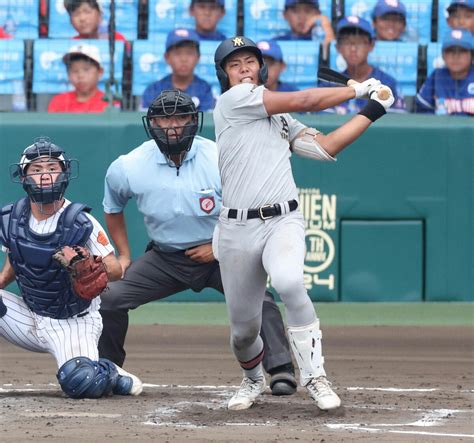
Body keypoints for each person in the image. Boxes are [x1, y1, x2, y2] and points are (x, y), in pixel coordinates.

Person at [212, 36, 395, 410]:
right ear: (225, 76)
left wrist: (374, 109)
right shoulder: (233, 102)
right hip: (236, 229)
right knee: (243, 332)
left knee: (290, 282)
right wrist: (356, 89)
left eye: (249, 61)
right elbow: (306, 99)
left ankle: (315, 377)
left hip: (283, 220)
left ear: (261, 67)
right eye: (234, 64)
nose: (244, 68)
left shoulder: (279, 117)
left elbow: (325, 147)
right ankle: (251, 379)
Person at [98, 89, 298, 397]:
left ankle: (281, 370)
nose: (172, 126)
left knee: (262, 302)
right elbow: (113, 208)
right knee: (110, 298)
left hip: (223, 253)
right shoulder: (128, 165)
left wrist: (217, 246)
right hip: (165, 258)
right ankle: (107, 369)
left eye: (180, 116)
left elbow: (247, 208)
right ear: (152, 124)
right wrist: (124, 255)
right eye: (164, 119)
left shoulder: (221, 157)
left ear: (194, 120)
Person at [0, 136, 143, 399]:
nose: (45, 176)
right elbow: (14, 262)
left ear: (64, 174)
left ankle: (110, 370)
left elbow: (114, 268)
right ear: (23, 177)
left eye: (52, 169)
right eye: (37, 169)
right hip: (29, 315)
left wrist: (89, 264)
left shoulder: (80, 221)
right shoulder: (12, 218)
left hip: (72, 322)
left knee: (81, 383)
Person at [325, 16, 405, 114]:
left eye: (359, 42)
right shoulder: (329, 84)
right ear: (338, 47)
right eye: (346, 42)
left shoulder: (387, 83)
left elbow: (397, 123)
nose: (353, 49)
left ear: (371, 45)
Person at [141, 28, 215, 112]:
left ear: (198, 57)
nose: (184, 59)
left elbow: (205, 122)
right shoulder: (154, 90)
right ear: (167, 57)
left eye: (189, 53)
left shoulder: (205, 89)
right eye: (177, 53)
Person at [416, 29, 473, 115]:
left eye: (462, 51)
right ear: (443, 55)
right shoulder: (436, 76)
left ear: (472, 55)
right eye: (450, 51)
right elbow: (422, 111)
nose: (456, 56)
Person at [48, 44, 119, 113]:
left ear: (100, 72)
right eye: (74, 71)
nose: (80, 76)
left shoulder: (110, 102)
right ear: (68, 75)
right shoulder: (59, 101)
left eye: (86, 69)